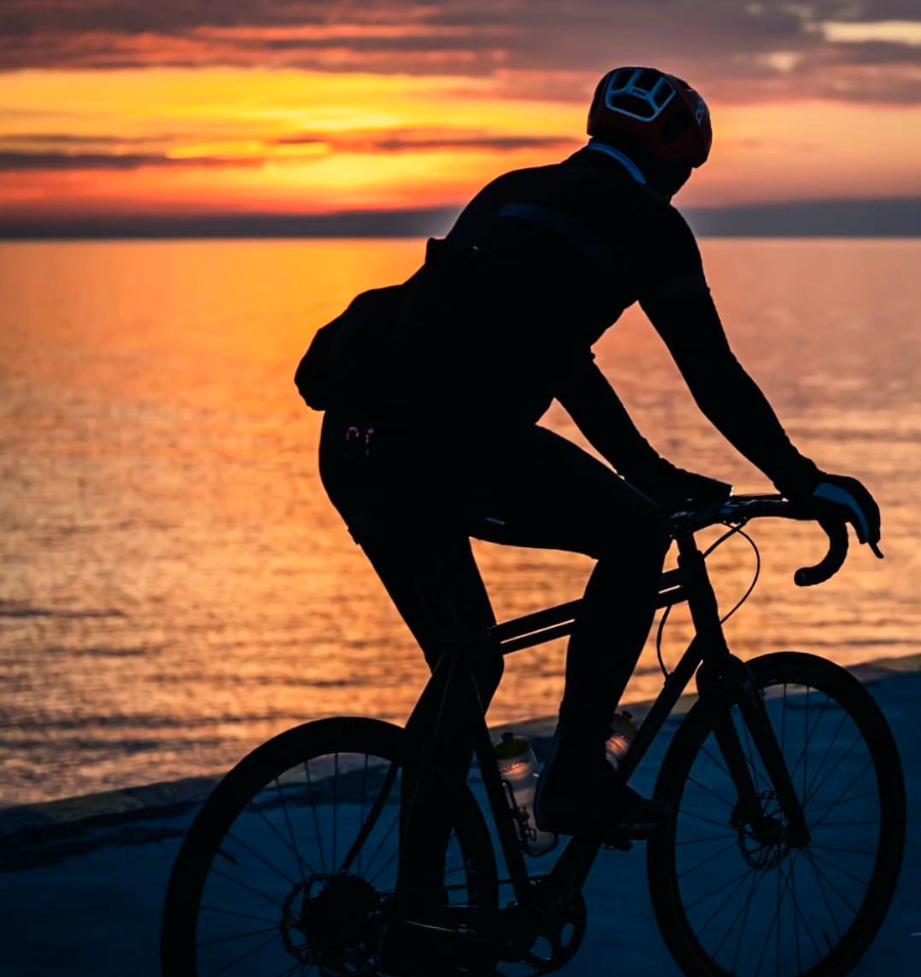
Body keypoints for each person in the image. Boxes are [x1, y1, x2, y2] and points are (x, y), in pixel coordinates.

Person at [318, 67, 881, 868]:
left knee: (467, 661)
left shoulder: (515, 190)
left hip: (355, 443)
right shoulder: (648, 223)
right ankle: (576, 774)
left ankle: (414, 908)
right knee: (636, 536)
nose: (682, 188)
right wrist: (802, 478)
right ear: (674, 159)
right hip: (453, 444)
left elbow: (555, 357)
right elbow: (711, 373)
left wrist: (645, 466)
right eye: (686, 171)